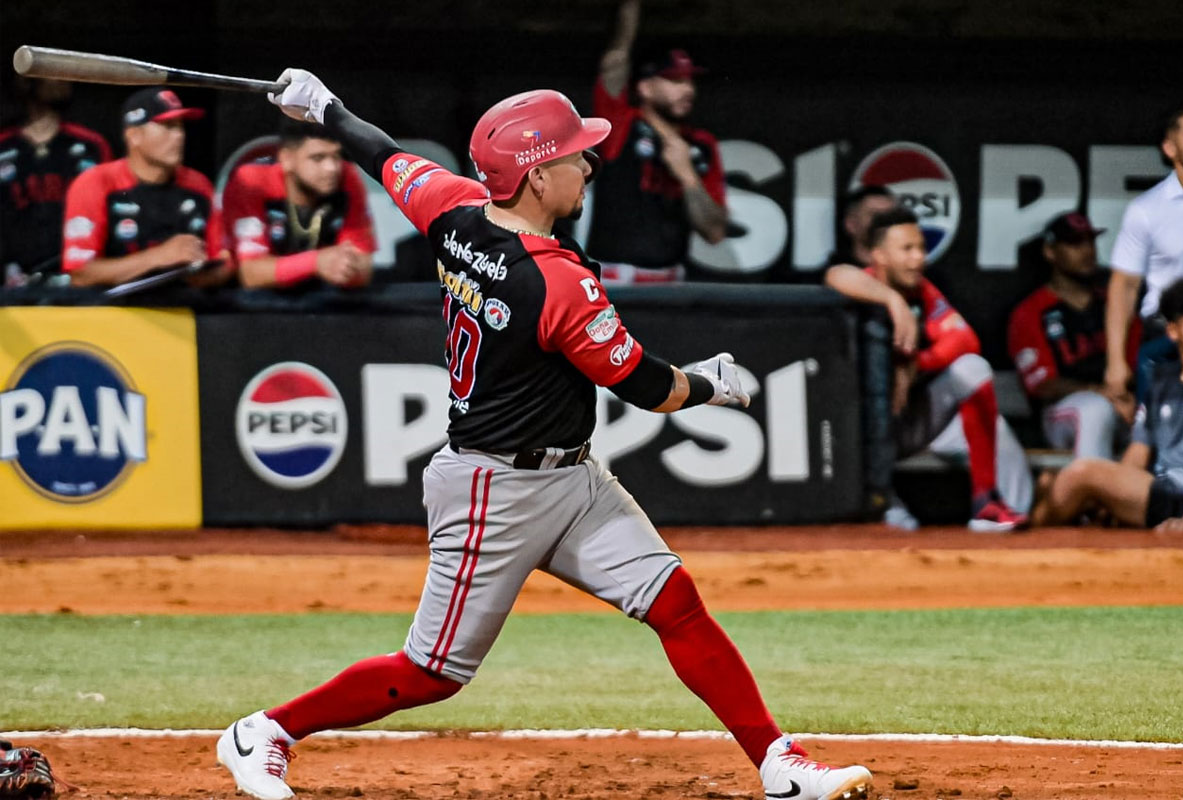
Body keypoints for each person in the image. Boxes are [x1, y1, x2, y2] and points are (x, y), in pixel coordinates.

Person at [214, 69, 872, 800]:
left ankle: (779, 763)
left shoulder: (456, 207)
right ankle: (264, 732)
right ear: (533, 176)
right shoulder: (556, 282)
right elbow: (646, 388)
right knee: (432, 673)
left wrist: (325, 108)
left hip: (572, 479)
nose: (587, 164)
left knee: (676, 603)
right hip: (495, 488)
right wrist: (712, 382)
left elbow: (382, 155)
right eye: (571, 155)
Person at [826, 207, 1031, 532]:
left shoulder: (922, 290)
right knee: (895, 529)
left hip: (913, 417)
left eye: (921, 248)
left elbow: (965, 340)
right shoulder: (862, 286)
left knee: (973, 370)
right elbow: (835, 275)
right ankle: (881, 505)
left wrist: (915, 363)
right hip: (861, 436)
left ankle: (991, 505)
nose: (918, 258)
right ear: (879, 255)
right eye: (907, 249)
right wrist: (893, 301)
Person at [1033, 276, 1183, 533]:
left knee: (1081, 473)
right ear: (1173, 331)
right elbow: (1138, 451)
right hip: (1158, 489)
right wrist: (1112, 495)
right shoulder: (1161, 381)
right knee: (1059, 483)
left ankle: (1024, 542)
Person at [586, 0, 727, 285]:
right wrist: (630, 8)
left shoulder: (701, 144)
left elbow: (714, 231)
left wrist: (687, 176)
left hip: (670, 285)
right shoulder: (622, 124)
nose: (688, 89)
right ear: (645, 87)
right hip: (615, 282)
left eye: (690, 81)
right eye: (675, 81)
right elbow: (615, 61)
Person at [60, 87, 231, 288]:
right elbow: (80, 273)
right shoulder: (96, 183)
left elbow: (224, 260)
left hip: (183, 309)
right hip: (114, 313)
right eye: (167, 125)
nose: (179, 136)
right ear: (134, 135)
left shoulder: (198, 185)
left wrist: (206, 275)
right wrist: (159, 256)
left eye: (180, 126)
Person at [1008, 212, 1139, 460]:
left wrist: (1124, 397)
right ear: (1050, 252)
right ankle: (1093, 493)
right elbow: (1044, 386)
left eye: (1090, 241)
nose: (1087, 250)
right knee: (1094, 411)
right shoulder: (1030, 312)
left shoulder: (1114, 305)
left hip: (1123, 405)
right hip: (1065, 410)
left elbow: (1136, 364)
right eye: (1074, 243)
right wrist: (1098, 391)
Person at [1104, 106, 1183, 405]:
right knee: (1157, 439)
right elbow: (1124, 287)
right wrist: (1116, 360)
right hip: (1166, 340)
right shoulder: (1147, 210)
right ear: (1170, 148)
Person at [222, 119, 375, 289]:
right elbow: (250, 274)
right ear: (286, 159)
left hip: (320, 302)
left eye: (337, 155)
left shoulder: (348, 178)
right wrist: (317, 262)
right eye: (318, 158)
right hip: (254, 305)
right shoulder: (252, 181)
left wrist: (348, 268)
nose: (332, 168)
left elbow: (363, 267)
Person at [0, 77, 111, 286]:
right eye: (51, 72)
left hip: (78, 279)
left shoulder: (92, 146)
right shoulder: (4, 145)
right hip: (12, 282)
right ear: (25, 81)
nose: (60, 79)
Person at [824, 185, 898, 268]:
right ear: (851, 225)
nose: (884, 221)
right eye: (875, 215)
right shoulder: (834, 274)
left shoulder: (909, 273)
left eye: (891, 215)